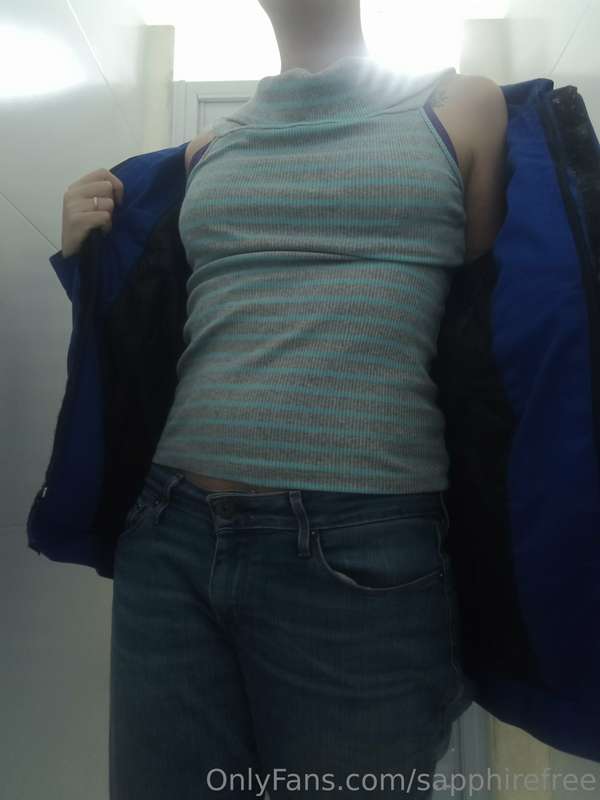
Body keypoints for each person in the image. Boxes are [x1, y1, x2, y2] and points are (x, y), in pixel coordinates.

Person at [61, 2, 507, 797]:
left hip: (365, 550)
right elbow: (145, 329)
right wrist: (88, 253)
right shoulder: (209, 148)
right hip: (169, 539)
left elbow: (490, 335)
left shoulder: (463, 104)